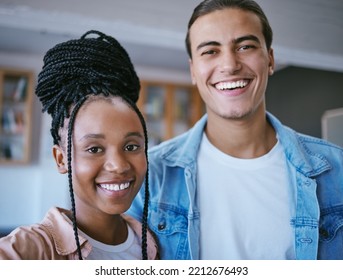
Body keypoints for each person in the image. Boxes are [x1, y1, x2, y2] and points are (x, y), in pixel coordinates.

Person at [128, 0, 343, 260]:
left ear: (270, 59)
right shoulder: (150, 176)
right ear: (193, 70)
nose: (229, 65)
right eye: (210, 51)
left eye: (245, 46)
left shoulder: (337, 168)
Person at [0, 30, 157, 260]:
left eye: (131, 146)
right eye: (94, 149)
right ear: (61, 159)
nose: (119, 166)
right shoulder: (29, 250)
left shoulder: (153, 244)